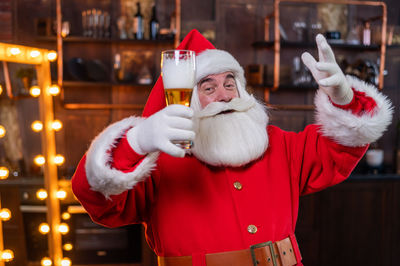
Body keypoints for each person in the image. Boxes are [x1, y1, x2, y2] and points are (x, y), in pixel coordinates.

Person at [71, 29, 392, 266]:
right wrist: (135, 142)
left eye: (230, 83)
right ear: (188, 99)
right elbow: (99, 200)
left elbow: (341, 146)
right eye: (208, 87)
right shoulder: (157, 164)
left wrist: (343, 97)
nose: (224, 95)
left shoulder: (279, 144)